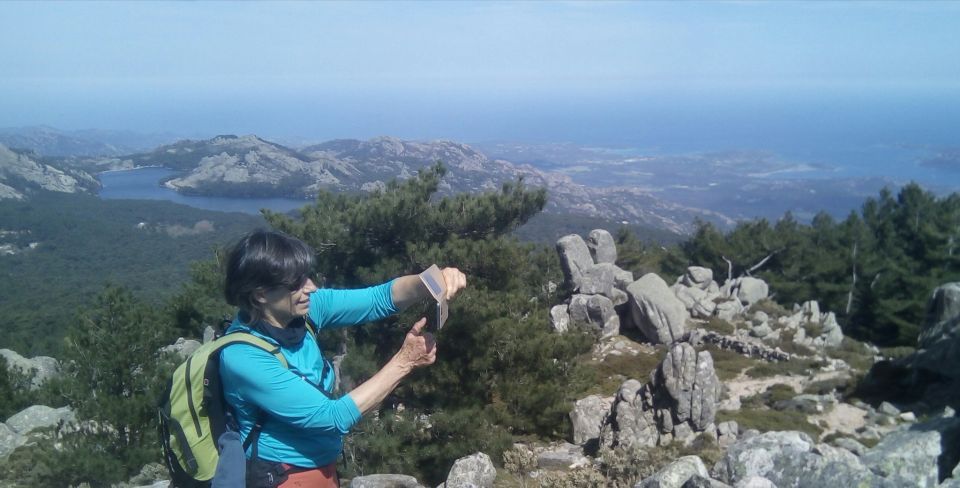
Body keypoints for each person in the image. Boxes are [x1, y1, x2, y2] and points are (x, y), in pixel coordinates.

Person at [220, 229, 466, 487]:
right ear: (260, 295)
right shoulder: (244, 357)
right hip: (281, 474)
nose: (311, 287)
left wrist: (433, 280)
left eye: (306, 277)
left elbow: (380, 298)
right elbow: (331, 418)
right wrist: (404, 362)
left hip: (322, 466)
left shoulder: (303, 312)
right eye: (296, 284)